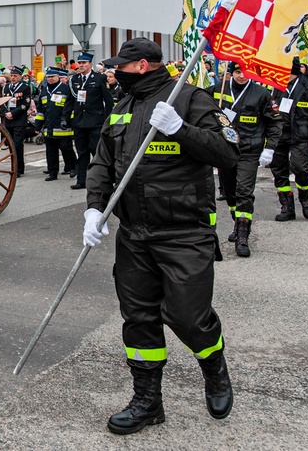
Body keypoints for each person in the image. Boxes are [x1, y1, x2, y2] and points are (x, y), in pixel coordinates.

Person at [83, 38, 240, 435]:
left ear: (141, 66)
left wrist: (181, 129)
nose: (114, 71)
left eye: (121, 65)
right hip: (134, 234)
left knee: (188, 317)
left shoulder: (189, 98)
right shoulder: (122, 105)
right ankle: (147, 400)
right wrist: (94, 208)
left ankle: (214, 367)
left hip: (184, 232)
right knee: (139, 318)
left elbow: (227, 153)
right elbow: (102, 161)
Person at [209, 62, 282, 257]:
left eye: (246, 72)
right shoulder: (219, 89)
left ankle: (243, 236)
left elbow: (274, 122)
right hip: (225, 149)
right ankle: (237, 222)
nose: (242, 76)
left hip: (249, 150)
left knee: (244, 191)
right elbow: (200, 106)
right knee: (230, 193)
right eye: (238, 72)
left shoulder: (261, 93)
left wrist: (270, 148)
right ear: (231, 72)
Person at [269, 57, 308, 221]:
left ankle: (305, 198)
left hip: (300, 135)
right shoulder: (276, 87)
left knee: (300, 168)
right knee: (279, 170)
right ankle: (287, 206)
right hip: (279, 135)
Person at [63, 51, 114, 190]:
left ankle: (102, 180)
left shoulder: (99, 78)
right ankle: (82, 180)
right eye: (79, 63)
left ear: (90, 64)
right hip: (79, 122)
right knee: (82, 153)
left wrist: (108, 119)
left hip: (95, 121)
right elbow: (69, 101)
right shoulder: (74, 80)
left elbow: (108, 100)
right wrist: (65, 118)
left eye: (84, 63)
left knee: (96, 152)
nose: (81, 65)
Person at [34, 67, 74, 181]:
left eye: (52, 77)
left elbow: (70, 107)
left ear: (58, 77)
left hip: (63, 127)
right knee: (51, 152)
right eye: (48, 77)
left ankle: (72, 166)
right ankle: (52, 172)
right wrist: (38, 125)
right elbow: (40, 110)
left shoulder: (65, 89)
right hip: (49, 127)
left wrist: (69, 122)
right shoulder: (44, 91)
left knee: (66, 148)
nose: (50, 79)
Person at [2, 66, 32, 177]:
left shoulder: (25, 87)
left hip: (19, 119)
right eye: (12, 75)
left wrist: (13, 113)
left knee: (18, 143)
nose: (13, 78)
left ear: (20, 76)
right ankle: (13, 167)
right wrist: (5, 113)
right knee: (10, 144)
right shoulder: (6, 88)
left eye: (15, 76)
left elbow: (26, 104)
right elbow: (2, 102)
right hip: (8, 119)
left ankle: (19, 168)